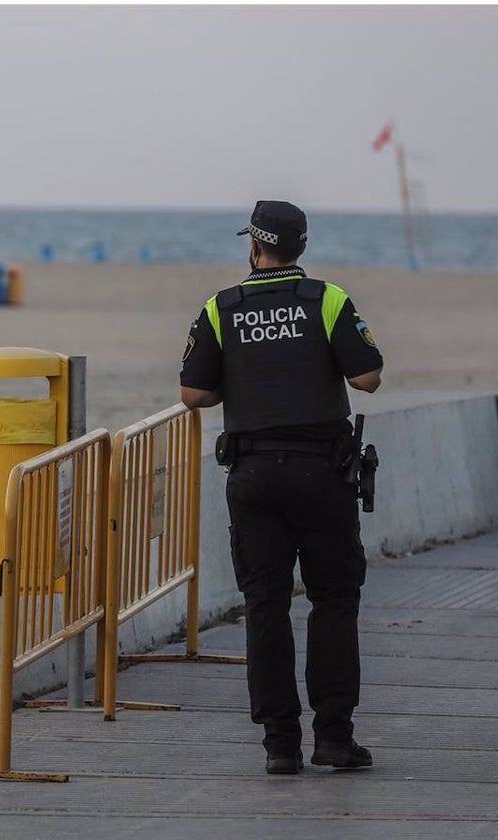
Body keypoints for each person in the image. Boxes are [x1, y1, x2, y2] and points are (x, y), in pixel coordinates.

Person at [179, 200, 384, 775]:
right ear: (301, 248)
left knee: (264, 603)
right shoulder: (328, 300)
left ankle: (279, 744)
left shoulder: (222, 307)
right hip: (324, 473)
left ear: (254, 246)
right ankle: (335, 739)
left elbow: (193, 395)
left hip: (253, 475)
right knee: (334, 599)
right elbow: (366, 377)